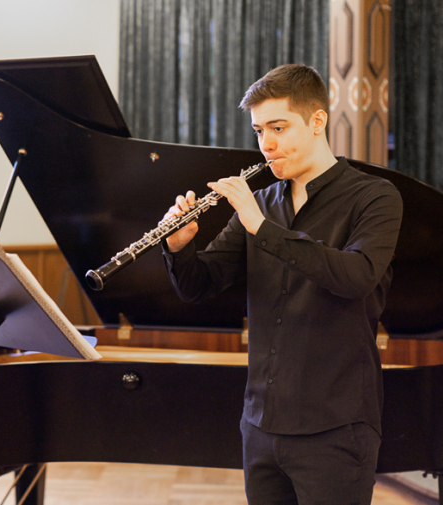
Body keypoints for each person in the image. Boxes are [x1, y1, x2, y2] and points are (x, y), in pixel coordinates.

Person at [162, 64, 403, 504]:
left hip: (336, 428)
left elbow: (356, 276)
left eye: (278, 127)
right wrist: (179, 248)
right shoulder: (261, 204)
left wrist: (262, 229)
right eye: (258, 131)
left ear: (316, 122)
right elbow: (200, 284)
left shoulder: (375, 197)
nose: (266, 143)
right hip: (259, 425)